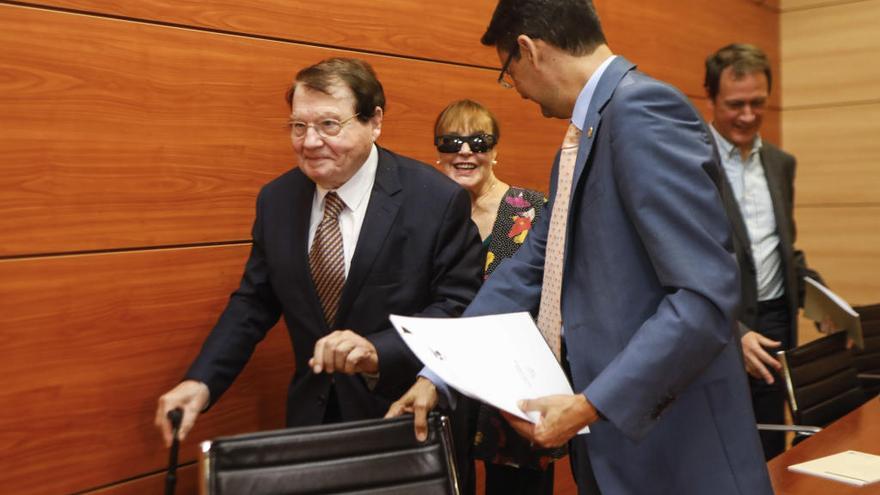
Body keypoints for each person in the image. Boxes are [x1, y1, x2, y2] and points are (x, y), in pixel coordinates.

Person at [388, 1, 773, 494]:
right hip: (612, 442)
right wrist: (437, 375)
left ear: (528, 50)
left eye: (509, 73)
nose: (519, 92)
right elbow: (529, 267)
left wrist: (592, 404)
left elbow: (704, 298)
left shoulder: (642, 112)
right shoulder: (586, 133)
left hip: (673, 449)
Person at [154, 58, 483, 450]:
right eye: (298, 126)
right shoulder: (277, 200)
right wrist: (202, 381)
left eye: (329, 125)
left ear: (374, 121)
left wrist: (379, 349)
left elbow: (460, 305)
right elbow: (254, 303)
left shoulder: (435, 199)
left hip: (405, 418)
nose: (309, 142)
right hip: (314, 421)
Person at [705, 43, 824, 459]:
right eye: (735, 104)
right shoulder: (689, 161)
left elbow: (780, 248)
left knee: (772, 447)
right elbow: (682, 265)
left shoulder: (780, 162)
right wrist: (730, 329)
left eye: (758, 104)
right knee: (722, 452)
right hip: (718, 328)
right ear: (712, 99)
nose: (748, 116)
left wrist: (822, 298)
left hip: (775, 326)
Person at [434, 99, 558, 495]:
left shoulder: (535, 211)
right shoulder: (426, 216)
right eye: (452, 141)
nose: (466, 151)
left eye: (479, 141)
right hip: (446, 376)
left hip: (515, 381)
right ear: (439, 153)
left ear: (495, 151)